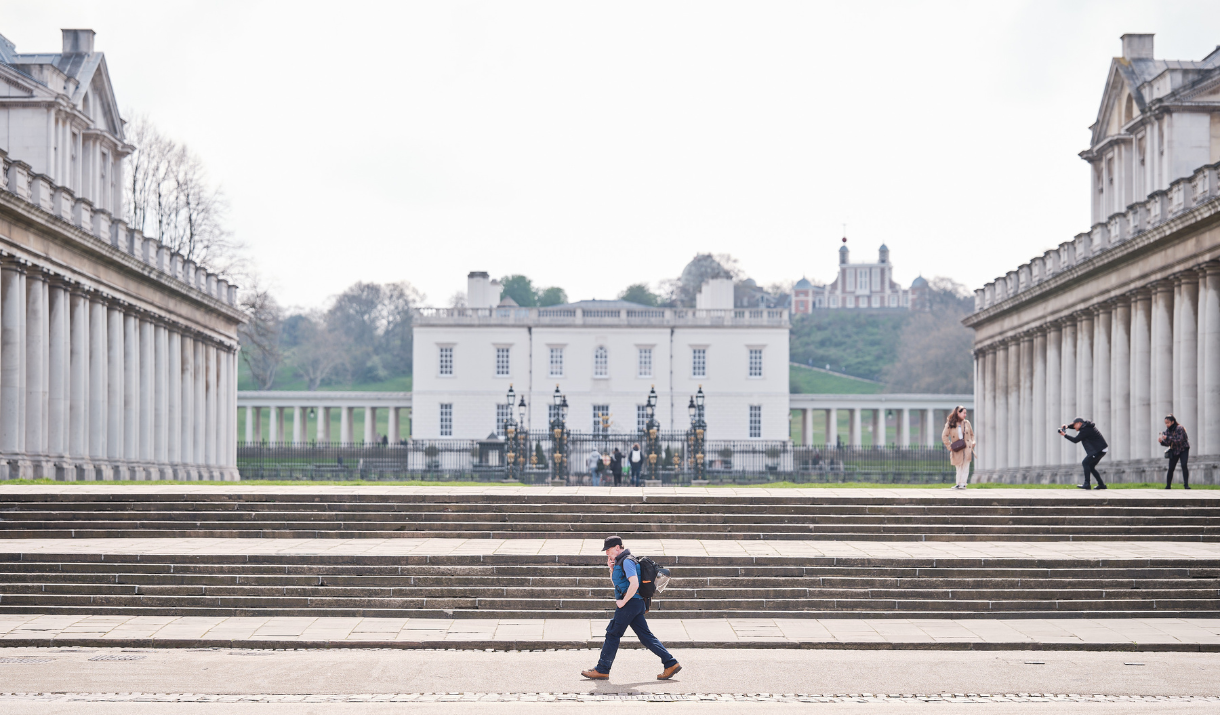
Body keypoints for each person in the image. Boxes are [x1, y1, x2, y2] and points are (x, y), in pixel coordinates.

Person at [581, 536, 681, 681]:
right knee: (646, 637)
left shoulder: (627, 561)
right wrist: (611, 569)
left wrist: (623, 602)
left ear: (617, 547)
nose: (607, 554)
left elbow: (634, 584)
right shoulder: (621, 562)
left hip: (630, 604)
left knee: (613, 633)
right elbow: (618, 584)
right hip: (635, 604)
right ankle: (671, 663)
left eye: (608, 550)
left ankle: (602, 669)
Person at [1059, 417, 1108, 490]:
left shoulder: (1085, 430)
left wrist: (1065, 435)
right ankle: (1101, 485)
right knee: (1091, 467)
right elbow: (1075, 427)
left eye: (1074, 425)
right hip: (1101, 449)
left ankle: (1087, 484)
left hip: (1098, 450)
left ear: (1079, 423)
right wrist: (1067, 426)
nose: (1074, 427)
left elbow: (1075, 440)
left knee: (1085, 463)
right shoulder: (1086, 426)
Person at [940, 405, 975, 489]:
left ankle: (963, 483)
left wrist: (973, 442)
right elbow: (944, 436)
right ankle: (959, 483)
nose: (965, 415)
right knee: (958, 465)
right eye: (963, 413)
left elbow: (971, 434)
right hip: (957, 447)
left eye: (965, 413)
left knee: (966, 466)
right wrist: (949, 446)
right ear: (958, 413)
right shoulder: (950, 423)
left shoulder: (967, 423)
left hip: (966, 447)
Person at [1158, 414, 1190, 489]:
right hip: (1174, 450)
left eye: (1168, 423)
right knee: (1171, 468)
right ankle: (1168, 485)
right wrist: (1162, 442)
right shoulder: (1167, 431)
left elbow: (1179, 440)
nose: (1167, 425)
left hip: (1183, 449)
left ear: (1172, 422)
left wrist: (1167, 438)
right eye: (1165, 423)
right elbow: (1168, 443)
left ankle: (1186, 485)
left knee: (1184, 465)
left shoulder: (1180, 428)